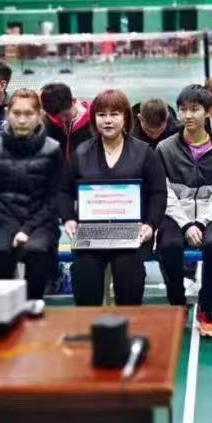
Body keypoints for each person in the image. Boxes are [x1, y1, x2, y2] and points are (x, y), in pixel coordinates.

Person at [62, 89, 167, 307]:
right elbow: (63, 190)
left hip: (133, 232)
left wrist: (150, 224)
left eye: (114, 114)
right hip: (91, 231)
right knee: (84, 272)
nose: (108, 120)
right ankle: (89, 323)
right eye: (101, 114)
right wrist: (69, 218)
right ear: (94, 118)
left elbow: (158, 193)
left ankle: (127, 323)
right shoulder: (81, 153)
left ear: (126, 117)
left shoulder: (144, 152)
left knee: (129, 274)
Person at [0, 88, 64, 302]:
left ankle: (34, 302)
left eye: (28, 114)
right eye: (17, 113)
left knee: (37, 250)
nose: (22, 120)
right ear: (8, 114)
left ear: (39, 115)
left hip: (41, 222)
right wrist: (13, 226)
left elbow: (54, 197)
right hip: (4, 220)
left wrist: (27, 229)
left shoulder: (53, 150)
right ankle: (6, 304)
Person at [155, 84, 212, 337]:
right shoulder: (164, 148)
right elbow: (163, 191)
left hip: (211, 215)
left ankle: (206, 309)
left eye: (195, 109)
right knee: (168, 245)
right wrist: (186, 223)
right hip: (176, 215)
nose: (187, 115)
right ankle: (177, 304)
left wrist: (201, 222)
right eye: (183, 109)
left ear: (207, 112)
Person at [40, 81, 95, 162]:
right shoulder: (48, 122)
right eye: (58, 117)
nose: (63, 120)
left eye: (66, 115)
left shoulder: (93, 119)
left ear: (72, 100)